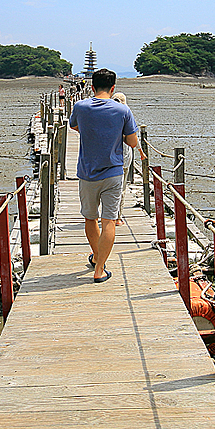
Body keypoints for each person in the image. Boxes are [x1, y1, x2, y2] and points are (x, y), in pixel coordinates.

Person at [68, 69, 145, 283]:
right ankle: (99, 268)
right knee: (109, 221)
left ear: (92, 87)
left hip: (87, 172)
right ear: (113, 88)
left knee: (90, 218)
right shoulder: (122, 110)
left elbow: (74, 125)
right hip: (113, 172)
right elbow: (132, 142)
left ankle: (97, 256)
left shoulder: (80, 107)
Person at [111, 92, 133, 226]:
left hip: (108, 158)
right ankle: (118, 217)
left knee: (108, 188)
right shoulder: (126, 114)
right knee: (121, 188)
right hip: (124, 158)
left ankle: (108, 215)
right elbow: (133, 140)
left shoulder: (105, 115)